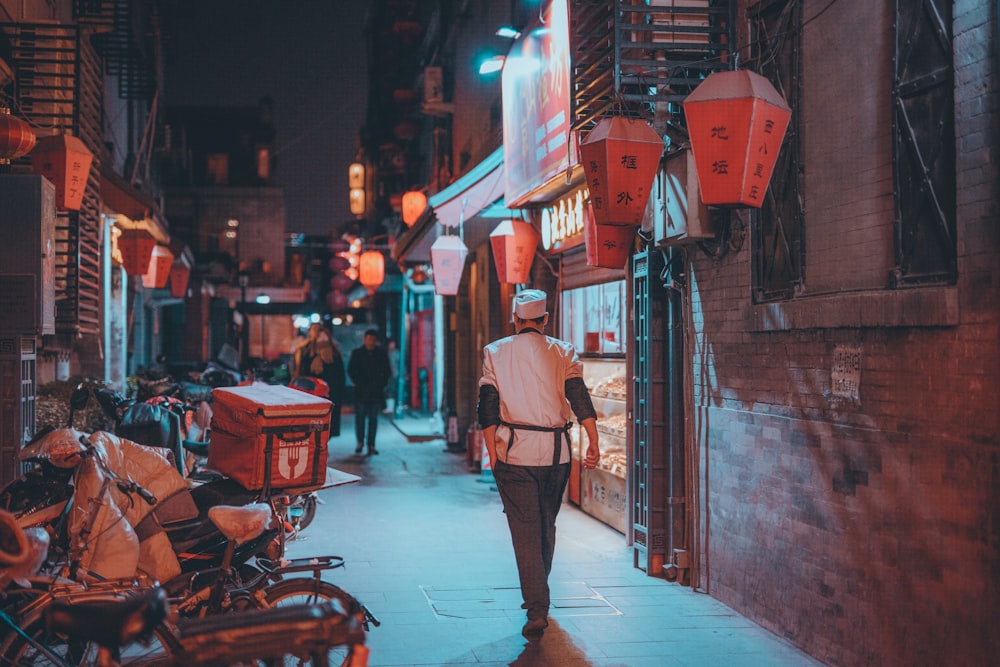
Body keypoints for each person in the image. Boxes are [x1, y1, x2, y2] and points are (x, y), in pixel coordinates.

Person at [476, 289, 601, 639]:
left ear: (515, 320)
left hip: (514, 454)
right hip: (557, 454)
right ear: (545, 320)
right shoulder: (563, 351)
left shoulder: (495, 352)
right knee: (547, 524)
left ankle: (537, 607)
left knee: (525, 530)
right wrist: (594, 440)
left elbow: (487, 407)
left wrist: (493, 455)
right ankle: (539, 597)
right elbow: (578, 396)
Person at [292, 323, 346, 436]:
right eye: (320, 336)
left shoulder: (333, 352)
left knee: (328, 423)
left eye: (324, 336)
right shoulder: (306, 351)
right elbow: (301, 372)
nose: (323, 339)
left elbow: (339, 374)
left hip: (330, 393)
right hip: (312, 394)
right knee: (314, 423)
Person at [347, 328, 391, 455]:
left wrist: (382, 383)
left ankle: (371, 444)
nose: (371, 342)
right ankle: (360, 442)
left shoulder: (381, 354)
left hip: (376, 392)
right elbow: (351, 370)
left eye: (373, 340)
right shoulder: (357, 353)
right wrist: (357, 381)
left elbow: (387, 371)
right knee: (360, 418)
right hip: (361, 391)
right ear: (364, 340)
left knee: (373, 419)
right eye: (369, 339)